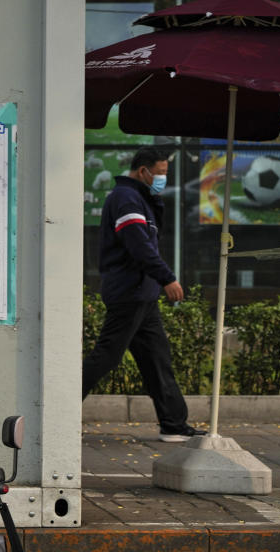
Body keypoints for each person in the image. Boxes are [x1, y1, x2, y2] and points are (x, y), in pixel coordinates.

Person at [83, 147, 207, 443]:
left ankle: (174, 424)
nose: (163, 179)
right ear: (143, 171)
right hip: (130, 291)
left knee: (156, 358)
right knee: (107, 356)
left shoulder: (139, 198)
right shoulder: (127, 198)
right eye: (161, 173)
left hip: (143, 293)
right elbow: (139, 246)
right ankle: (53, 412)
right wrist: (168, 278)